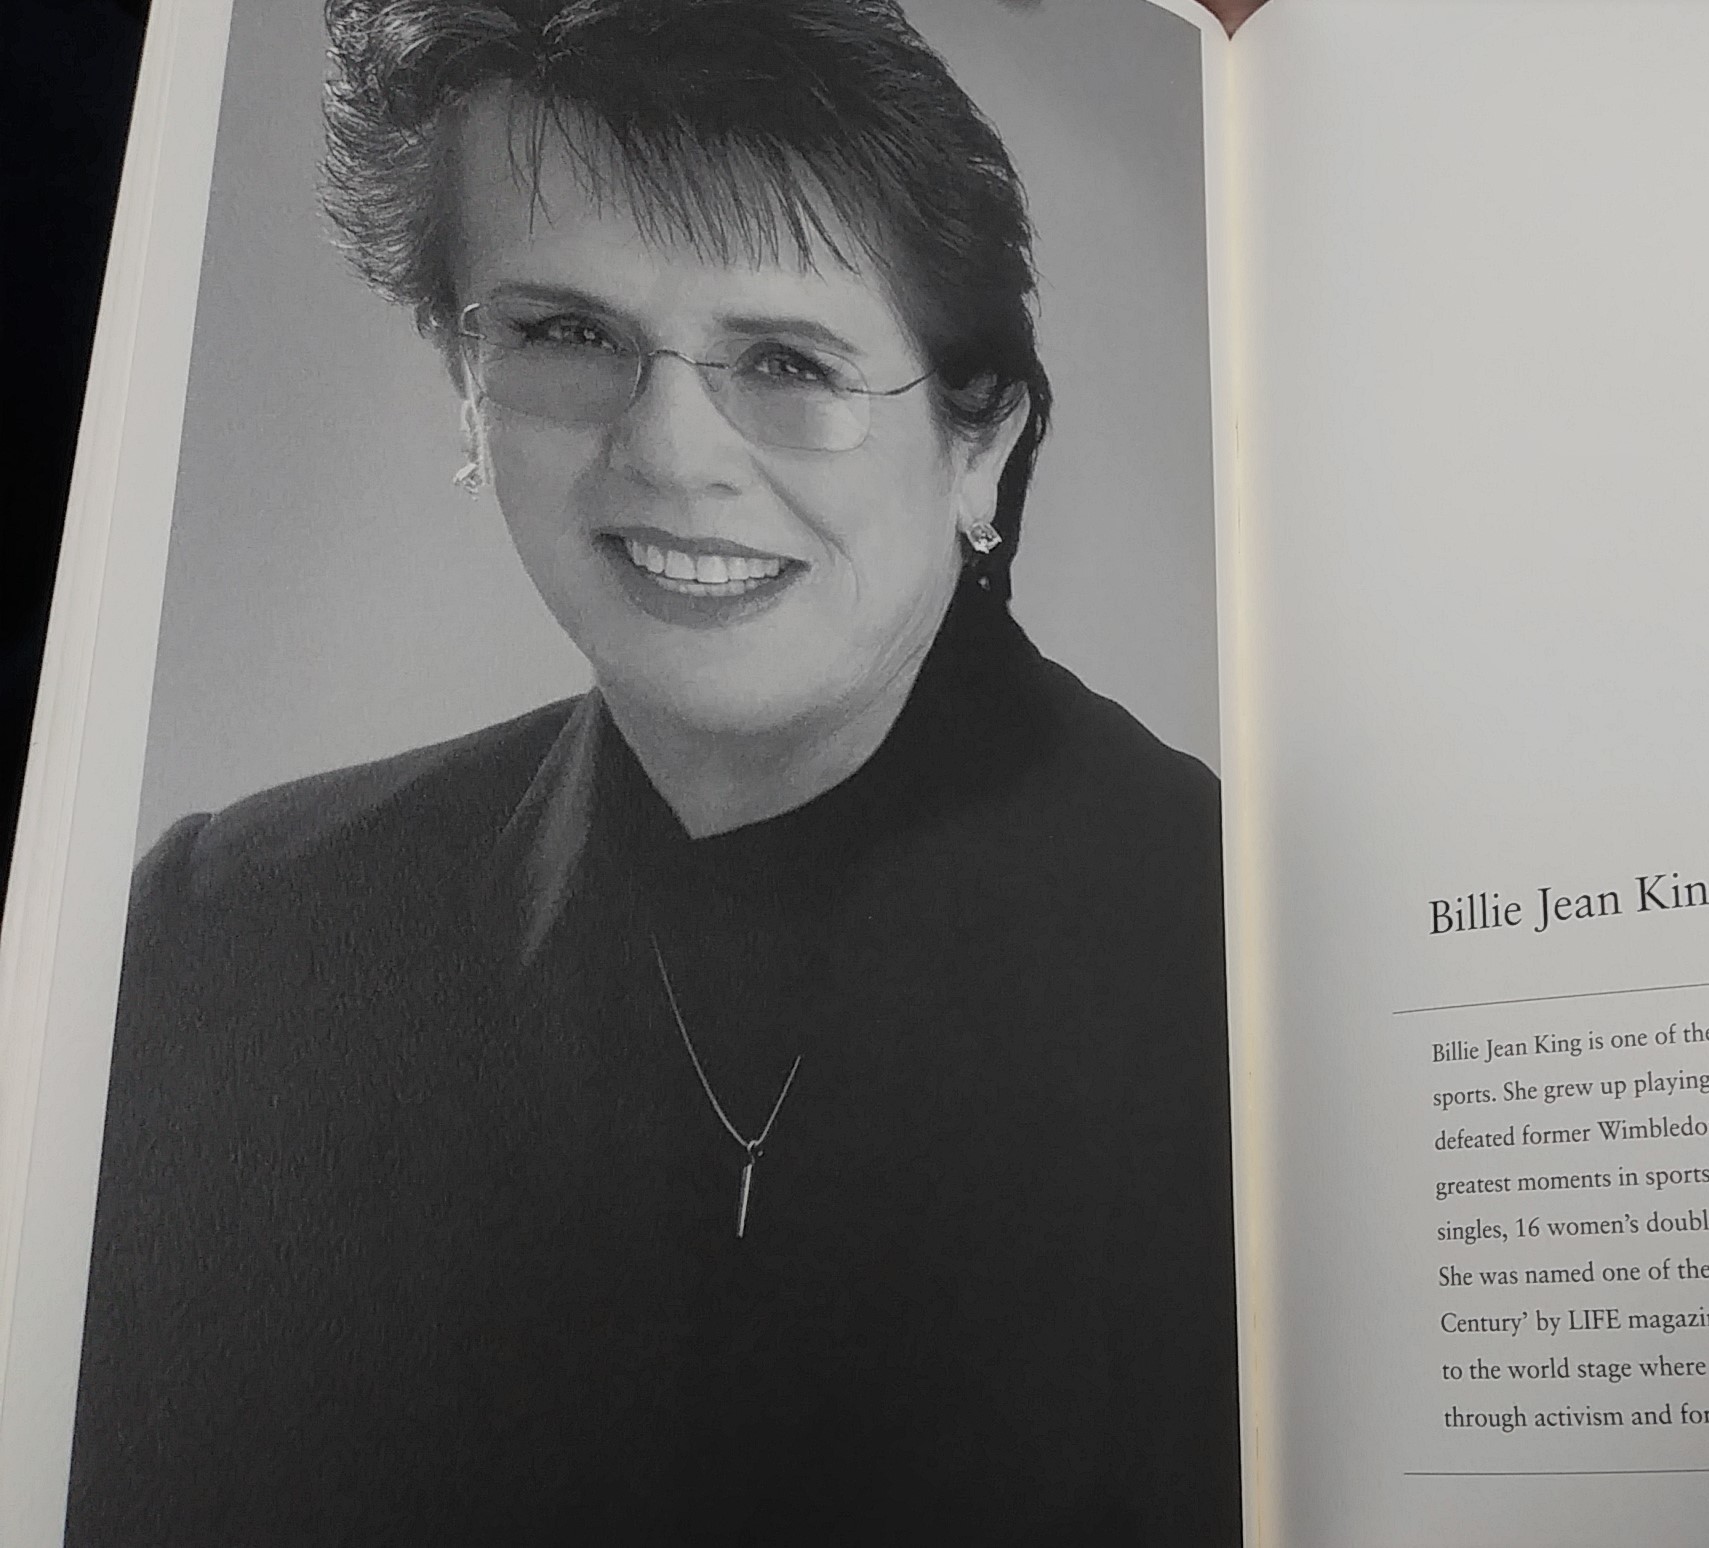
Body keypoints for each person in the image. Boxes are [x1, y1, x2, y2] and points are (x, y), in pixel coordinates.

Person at [63, 1, 1237, 1543]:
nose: (672, 456)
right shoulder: (234, 936)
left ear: (979, 443)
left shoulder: (1239, 951)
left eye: (786, 357)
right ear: (462, 383)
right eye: (566, 335)